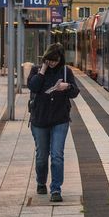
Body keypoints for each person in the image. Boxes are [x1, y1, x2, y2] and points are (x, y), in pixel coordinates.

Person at [27, 43, 79, 202]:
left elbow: (75, 92)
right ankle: (41, 182)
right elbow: (33, 86)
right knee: (42, 155)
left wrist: (67, 86)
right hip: (39, 120)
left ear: (60, 59)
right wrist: (42, 71)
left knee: (57, 155)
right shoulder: (36, 71)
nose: (52, 63)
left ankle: (56, 189)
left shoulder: (66, 71)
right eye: (49, 60)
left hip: (60, 119)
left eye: (55, 61)